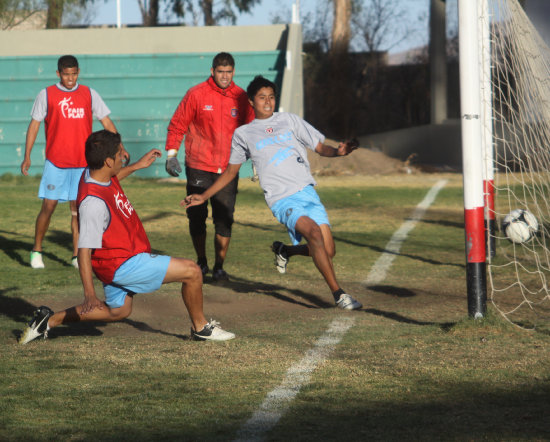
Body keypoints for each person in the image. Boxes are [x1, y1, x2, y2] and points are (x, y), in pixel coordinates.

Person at [18, 130, 235, 345]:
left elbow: (110, 180)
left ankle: (47, 320)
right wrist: (89, 294)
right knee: (192, 271)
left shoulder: (92, 173)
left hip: (114, 260)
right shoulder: (93, 205)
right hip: (123, 263)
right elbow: (84, 250)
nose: (124, 155)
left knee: (118, 311)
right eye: (120, 153)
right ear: (108, 161)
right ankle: (201, 328)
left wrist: (137, 166)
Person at [184, 76, 362, 310]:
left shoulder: (290, 120)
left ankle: (285, 250)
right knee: (315, 234)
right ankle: (339, 294)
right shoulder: (243, 134)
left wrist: (339, 153)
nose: (267, 102)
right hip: (282, 198)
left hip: (307, 192)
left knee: (328, 250)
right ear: (251, 101)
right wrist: (204, 196)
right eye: (261, 97)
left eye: (271, 97)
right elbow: (230, 172)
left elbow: (320, 147)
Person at [21, 55, 127, 270]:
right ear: (58, 73)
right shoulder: (47, 94)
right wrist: (27, 155)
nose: (70, 79)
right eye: (66, 74)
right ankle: (36, 250)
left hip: (82, 164)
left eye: (74, 74)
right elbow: (34, 125)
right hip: (56, 162)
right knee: (48, 207)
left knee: (79, 210)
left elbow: (106, 121)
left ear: (78, 72)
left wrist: (120, 146)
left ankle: (77, 255)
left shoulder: (89, 93)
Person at [165, 52, 254, 282]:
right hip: (199, 165)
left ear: (233, 72)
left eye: (228, 72)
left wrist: (257, 159)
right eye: (220, 71)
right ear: (212, 71)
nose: (224, 76)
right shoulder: (196, 94)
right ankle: (202, 261)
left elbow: (253, 130)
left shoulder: (242, 98)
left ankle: (219, 266)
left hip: (228, 169)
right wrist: (171, 154)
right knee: (196, 215)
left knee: (224, 218)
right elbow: (177, 125)